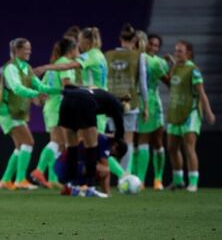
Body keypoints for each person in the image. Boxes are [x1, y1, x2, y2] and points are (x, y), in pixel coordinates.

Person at [0, 38, 61, 190]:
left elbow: (40, 85)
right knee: (28, 142)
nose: (29, 51)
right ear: (17, 51)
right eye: (26, 49)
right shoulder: (10, 68)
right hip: (7, 111)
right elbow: (17, 88)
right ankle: (20, 179)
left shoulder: (27, 67)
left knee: (20, 147)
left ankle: (5, 180)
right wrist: (37, 94)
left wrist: (59, 91)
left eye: (29, 48)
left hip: (17, 112)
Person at [58, 85, 127, 197]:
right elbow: (120, 130)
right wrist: (116, 139)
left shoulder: (99, 94)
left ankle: (72, 186)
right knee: (91, 146)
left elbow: (71, 87)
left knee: (72, 147)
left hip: (66, 100)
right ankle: (89, 187)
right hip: (84, 101)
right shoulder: (117, 105)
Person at [30, 38, 80, 189]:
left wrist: (38, 99)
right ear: (71, 50)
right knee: (58, 143)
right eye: (77, 48)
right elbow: (67, 85)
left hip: (50, 107)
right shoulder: (65, 64)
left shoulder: (54, 65)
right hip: (59, 107)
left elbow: (41, 90)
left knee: (59, 145)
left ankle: (53, 178)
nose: (79, 52)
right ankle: (39, 170)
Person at [166, 40, 215, 192]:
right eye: (176, 50)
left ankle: (193, 182)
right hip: (175, 111)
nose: (177, 53)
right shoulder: (175, 67)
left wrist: (208, 112)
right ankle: (178, 180)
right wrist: (172, 63)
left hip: (190, 113)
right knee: (172, 147)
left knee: (189, 147)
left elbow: (201, 93)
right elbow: (171, 84)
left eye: (180, 51)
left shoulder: (194, 70)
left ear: (188, 53)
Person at [105, 24, 148, 173]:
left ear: (120, 38)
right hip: (131, 102)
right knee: (128, 140)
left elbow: (104, 80)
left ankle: (117, 174)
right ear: (134, 39)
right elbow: (142, 83)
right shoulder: (139, 56)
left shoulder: (108, 55)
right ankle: (125, 176)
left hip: (110, 103)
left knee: (112, 139)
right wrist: (146, 105)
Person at [134, 33, 169, 189]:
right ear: (145, 43)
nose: (153, 48)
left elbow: (169, 82)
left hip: (154, 103)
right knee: (137, 140)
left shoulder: (157, 62)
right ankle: (139, 179)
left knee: (156, 141)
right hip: (139, 101)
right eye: (151, 44)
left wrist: (171, 66)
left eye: (156, 46)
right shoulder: (138, 58)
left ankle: (157, 179)